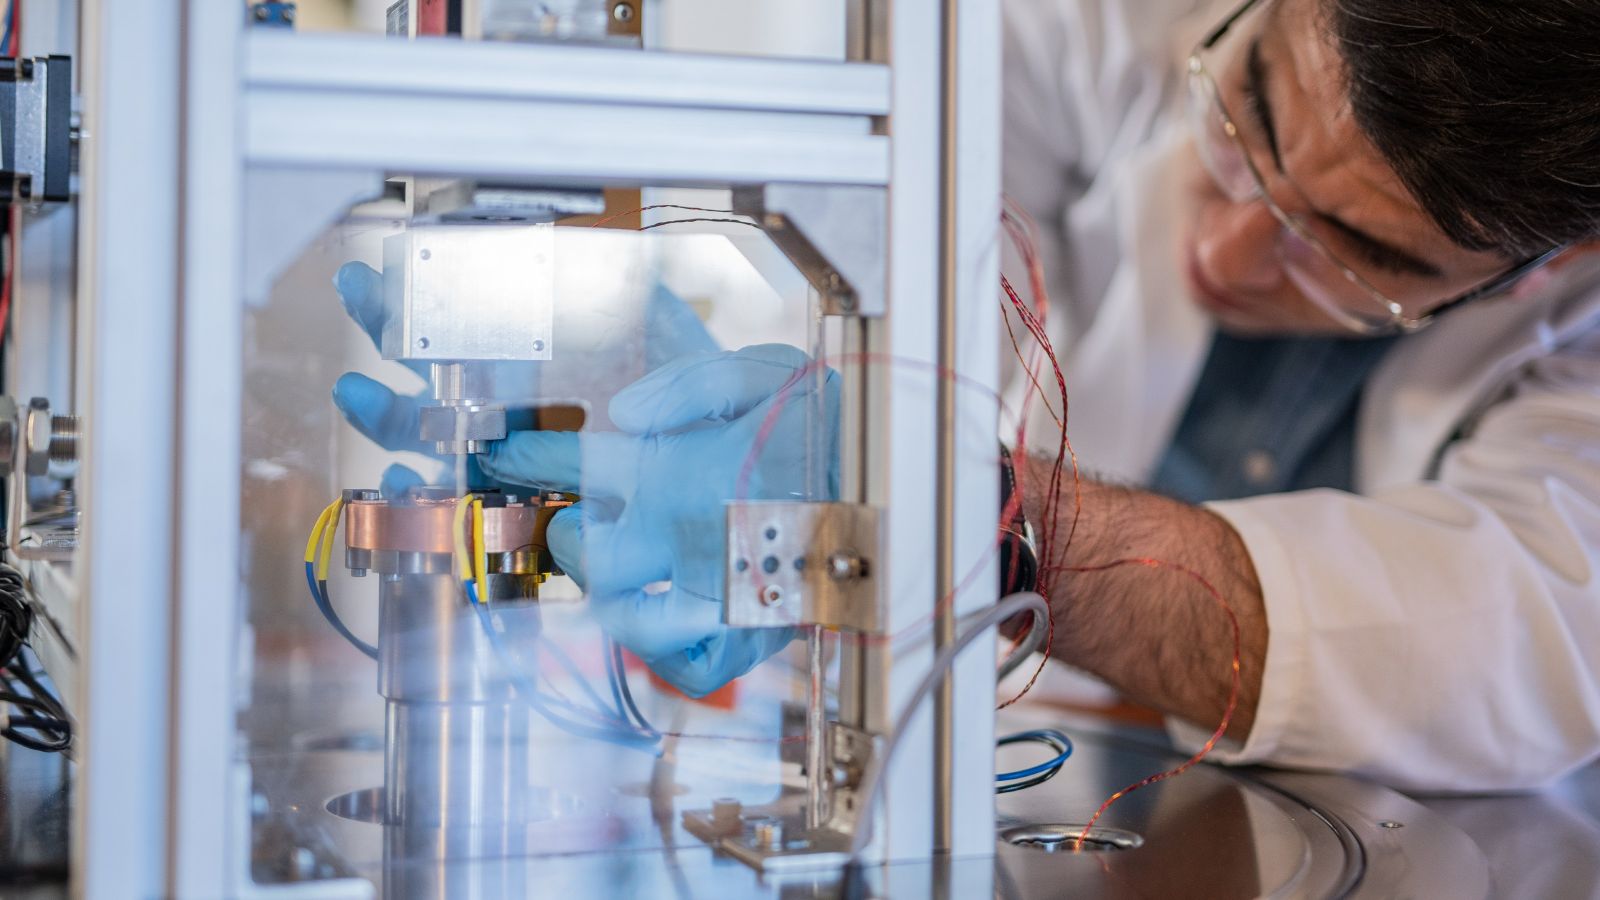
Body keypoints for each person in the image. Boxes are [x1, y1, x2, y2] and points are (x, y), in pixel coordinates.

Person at [336, 0, 1600, 793]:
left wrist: (970, 528)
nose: (1218, 254)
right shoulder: (1077, 27)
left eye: (1356, 253)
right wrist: (653, 400)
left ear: (1565, 263)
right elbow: (873, 336)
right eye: (1250, 109)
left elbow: (1519, 641)